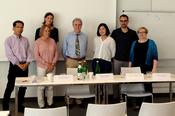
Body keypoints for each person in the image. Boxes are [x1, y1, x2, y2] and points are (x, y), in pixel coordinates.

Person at [3, 20, 32, 112]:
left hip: (25, 66)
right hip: (14, 66)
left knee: (23, 87)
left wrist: (27, 64)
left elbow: (29, 53)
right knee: (10, 87)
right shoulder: (8, 40)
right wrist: (19, 65)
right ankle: (5, 108)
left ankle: (19, 106)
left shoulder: (26, 40)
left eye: (21, 27)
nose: (20, 29)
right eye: (18, 27)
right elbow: (9, 55)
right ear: (13, 28)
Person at [111, 14, 139, 101]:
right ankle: (116, 97)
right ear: (120, 21)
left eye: (125, 20)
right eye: (121, 21)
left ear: (128, 21)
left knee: (128, 79)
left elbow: (136, 46)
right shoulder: (115, 32)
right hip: (117, 60)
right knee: (116, 79)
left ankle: (128, 97)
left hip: (128, 61)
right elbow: (111, 45)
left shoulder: (133, 33)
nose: (123, 22)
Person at [34, 25, 58, 108]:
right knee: (41, 86)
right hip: (41, 67)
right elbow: (36, 56)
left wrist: (53, 64)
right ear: (42, 32)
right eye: (45, 31)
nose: (47, 32)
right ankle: (41, 105)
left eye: (48, 31)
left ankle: (50, 103)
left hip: (52, 67)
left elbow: (56, 54)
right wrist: (46, 63)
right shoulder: (37, 42)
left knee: (50, 87)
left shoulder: (53, 41)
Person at [129, 26, 158, 92]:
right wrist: (129, 69)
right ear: (137, 34)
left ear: (146, 33)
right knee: (136, 86)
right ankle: (138, 102)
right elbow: (131, 58)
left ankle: (149, 101)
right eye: (139, 32)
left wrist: (154, 69)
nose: (141, 34)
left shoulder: (151, 43)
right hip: (135, 68)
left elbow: (155, 57)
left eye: (143, 32)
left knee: (147, 86)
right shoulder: (134, 43)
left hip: (147, 67)